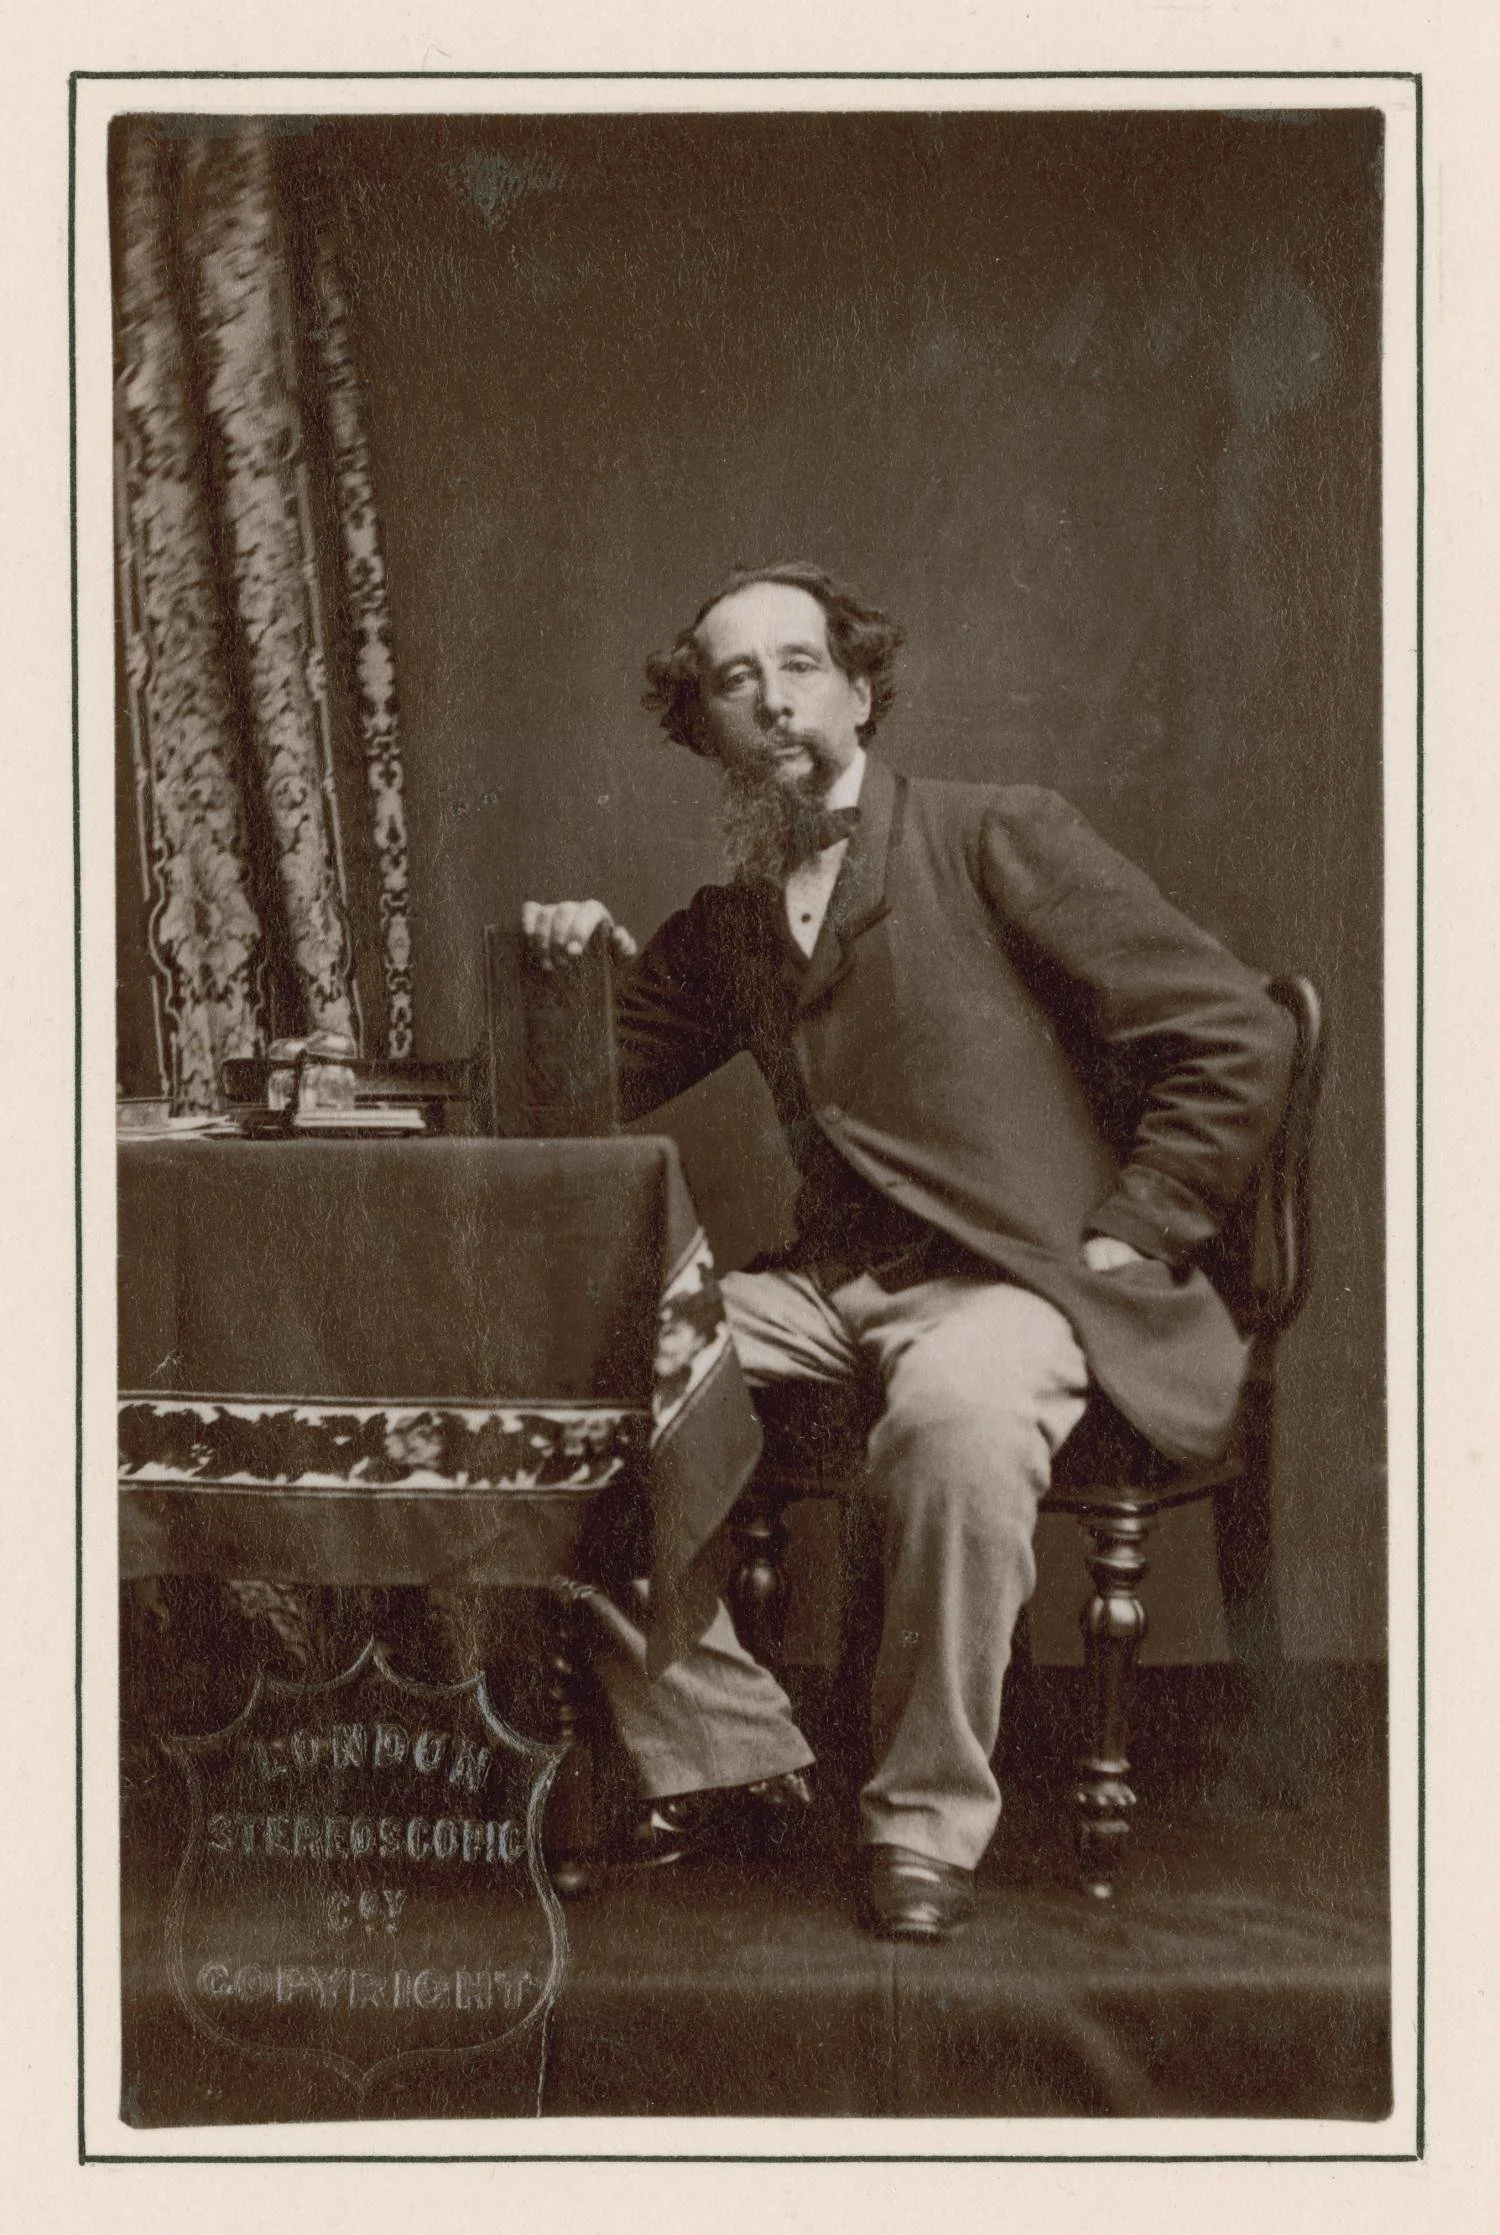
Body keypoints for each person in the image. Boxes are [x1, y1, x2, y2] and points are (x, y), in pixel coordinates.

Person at [522, 560, 1295, 1941]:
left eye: (799, 665)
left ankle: (921, 1825)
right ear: (703, 729)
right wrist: (570, 976)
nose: (772, 701)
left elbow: (1240, 1032)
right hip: (831, 1291)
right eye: (734, 680)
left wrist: (1136, 1230)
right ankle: (734, 1749)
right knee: (570, 1375)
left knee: (956, 1418)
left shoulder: (995, 833)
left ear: (861, 694)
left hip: (1013, 1283)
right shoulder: (728, 928)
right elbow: (571, 1101)